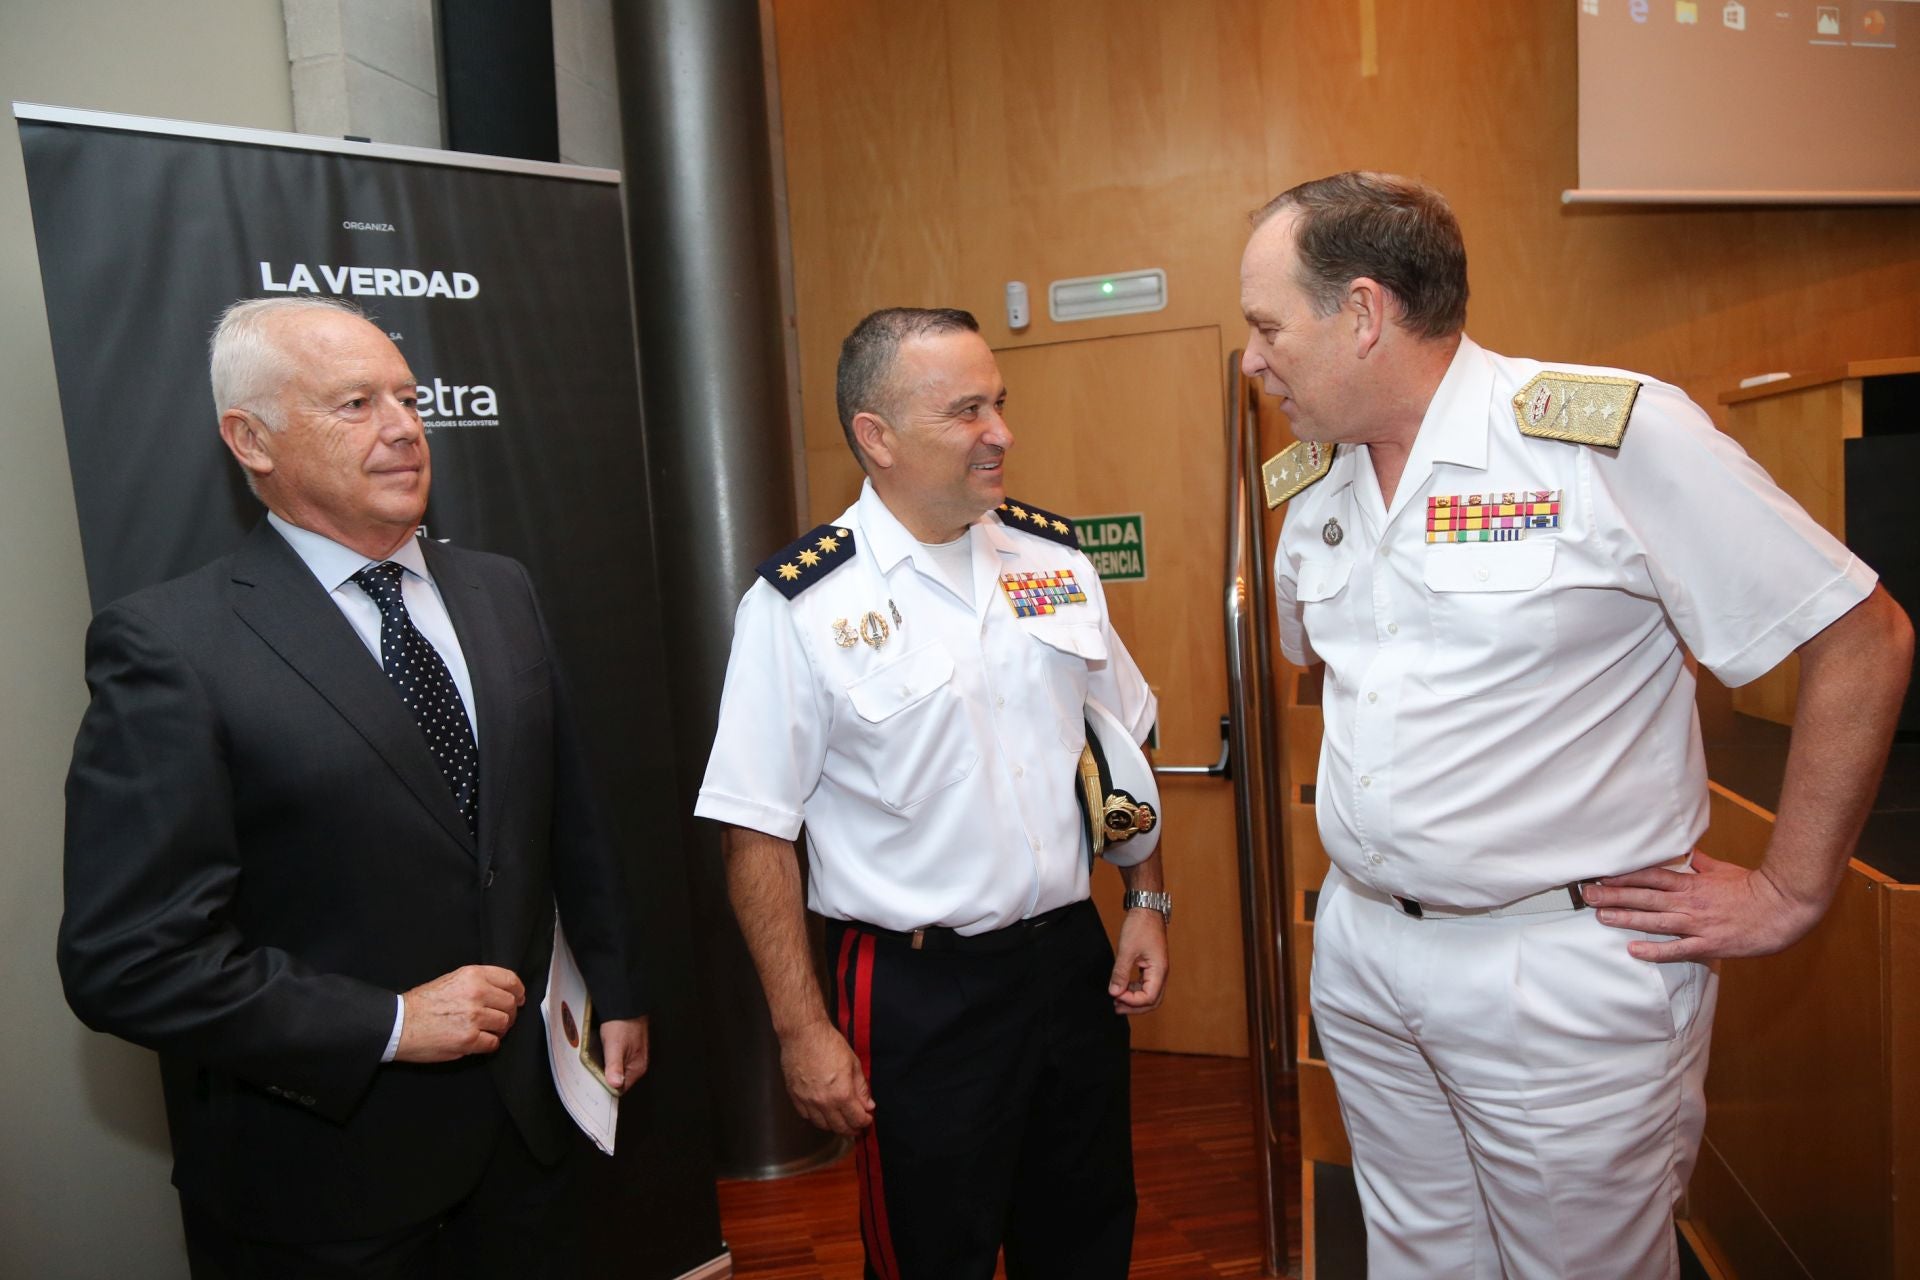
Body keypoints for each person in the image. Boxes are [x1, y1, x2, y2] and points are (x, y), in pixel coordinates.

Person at [1245, 171, 1913, 1279]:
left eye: (1269, 327)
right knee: (1417, 1256)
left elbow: (1860, 635)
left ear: (1363, 312)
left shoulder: (1605, 434)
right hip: (1364, 950)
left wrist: (1792, 887)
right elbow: (1331, 667)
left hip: (1552, 966)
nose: (1255, 359)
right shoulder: (1309, 481)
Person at [58, 296, 649, 1279]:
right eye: (355, 403)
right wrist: (389, 1022)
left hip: (526, 1149)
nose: (405, 427)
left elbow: (565, 820)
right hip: (324, 1191)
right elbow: (128, 957)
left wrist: (617, 988)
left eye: (409, 398)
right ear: (251, 439)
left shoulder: (501, 589)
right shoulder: (171, 647)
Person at [696, 307, 1169, 1279]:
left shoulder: (1055, 563)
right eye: (965, 410)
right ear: (877, 435)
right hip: (919, 990)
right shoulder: (803, 606)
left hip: (1070, 966)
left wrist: (1148, 896)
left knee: (1086, 1236)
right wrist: (801, 1030)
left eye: (997, 402)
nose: (999, 430)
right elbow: (754, 832)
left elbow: (1123, 743)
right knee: (928, 1252)